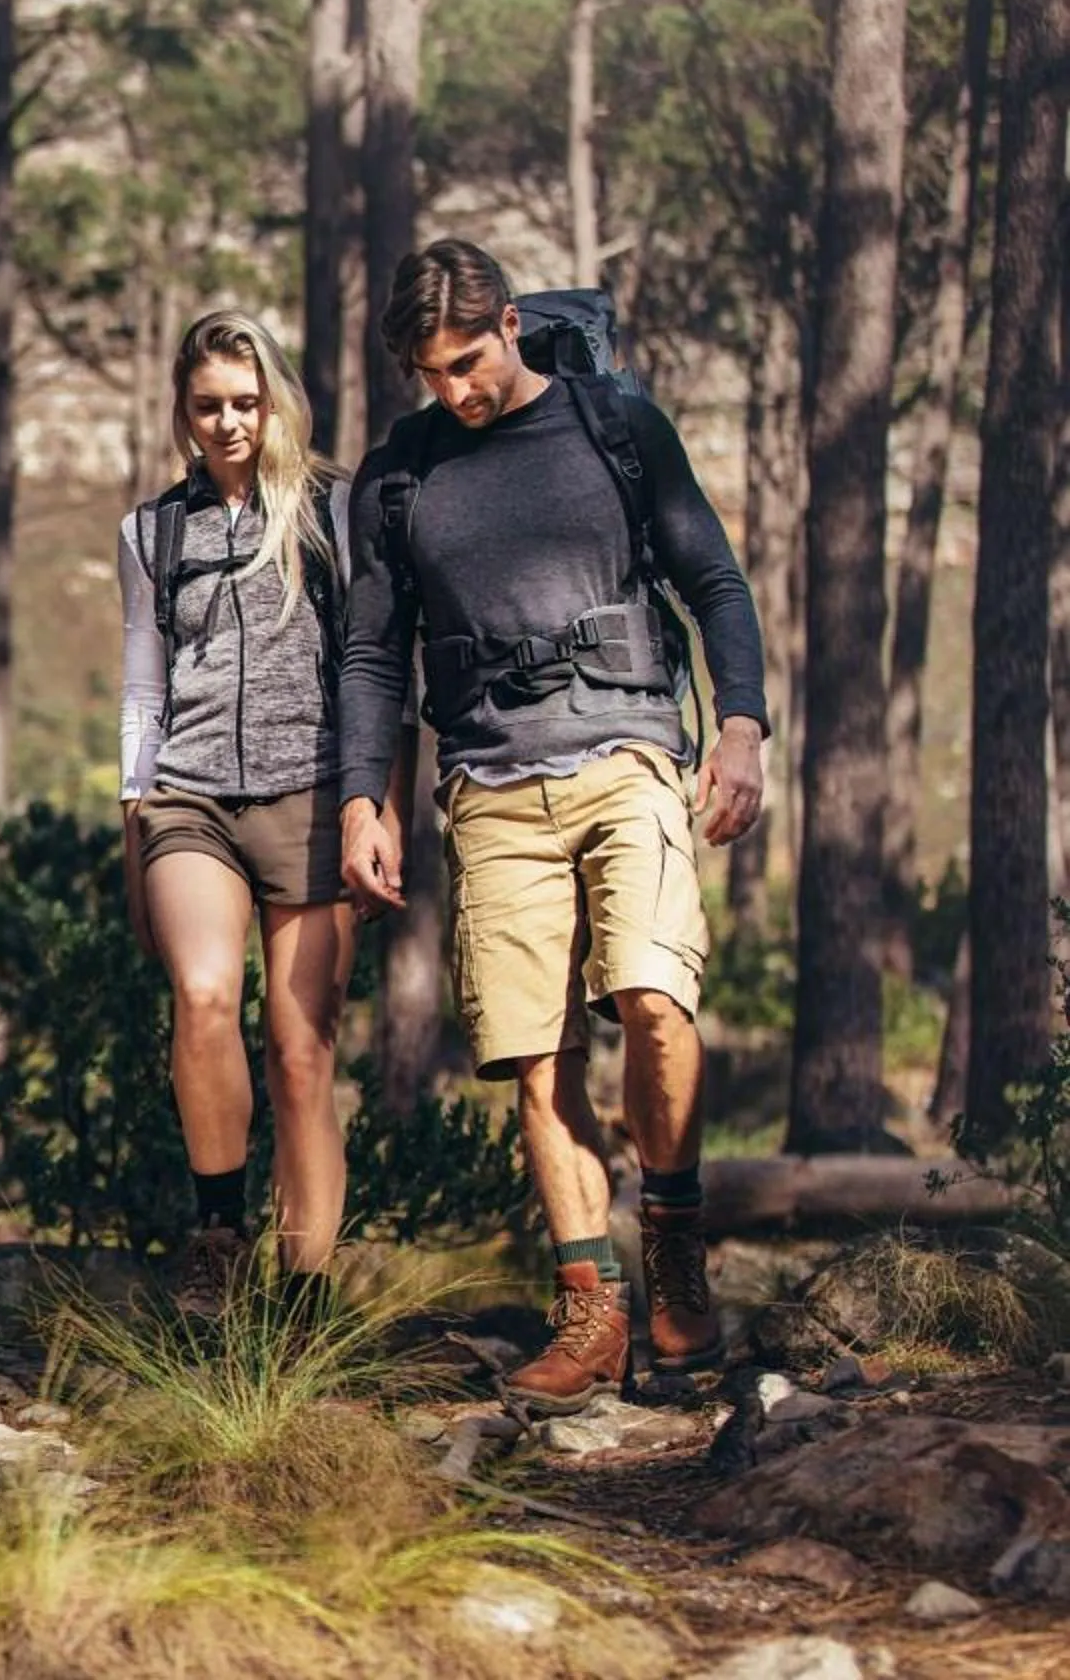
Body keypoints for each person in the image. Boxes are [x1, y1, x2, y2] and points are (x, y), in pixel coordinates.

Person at [337, 239, 769, 1415]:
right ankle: (593, 1307)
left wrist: (741, 726)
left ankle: (673, 1241)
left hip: (631, 753)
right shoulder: (401, 474)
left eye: (469, 362)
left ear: (513, 325)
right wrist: (360, 796)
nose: (456, 390)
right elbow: (373, 652)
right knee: (539, 1056)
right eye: (432, 373)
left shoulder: (613, 424)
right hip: (489, 786)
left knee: (655, 1002)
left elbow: (714, 582)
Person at [117, 309, 374, 1320]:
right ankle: (219, 1234)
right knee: (208, 994)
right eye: (205, 406)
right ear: (182, 413)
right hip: (188, 799)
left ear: (275, 402)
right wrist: (132, 809)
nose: (226, 423)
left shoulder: (332, 511)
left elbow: (371, 662)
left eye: (243, 402)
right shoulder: (152, 531)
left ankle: (306, 1303)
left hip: (309, 794)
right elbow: (144, 681)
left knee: (302, 1051)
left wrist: (371, 804)